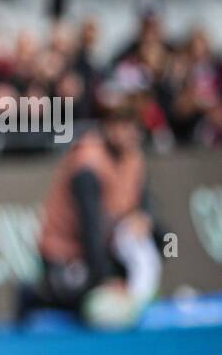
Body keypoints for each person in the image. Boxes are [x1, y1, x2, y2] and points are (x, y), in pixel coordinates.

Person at [19, 97, 163, 328]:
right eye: (122, 125)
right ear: (108, 126)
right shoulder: (87, 163)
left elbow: (144, 204)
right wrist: (107, 279)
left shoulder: (134, 158)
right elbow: (91, 230)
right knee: (90, 298)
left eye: (133, 127)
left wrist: (143, 217)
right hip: (67, 255)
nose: (129, 134)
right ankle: (37, 294)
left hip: (107, 246)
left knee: (161, 237)